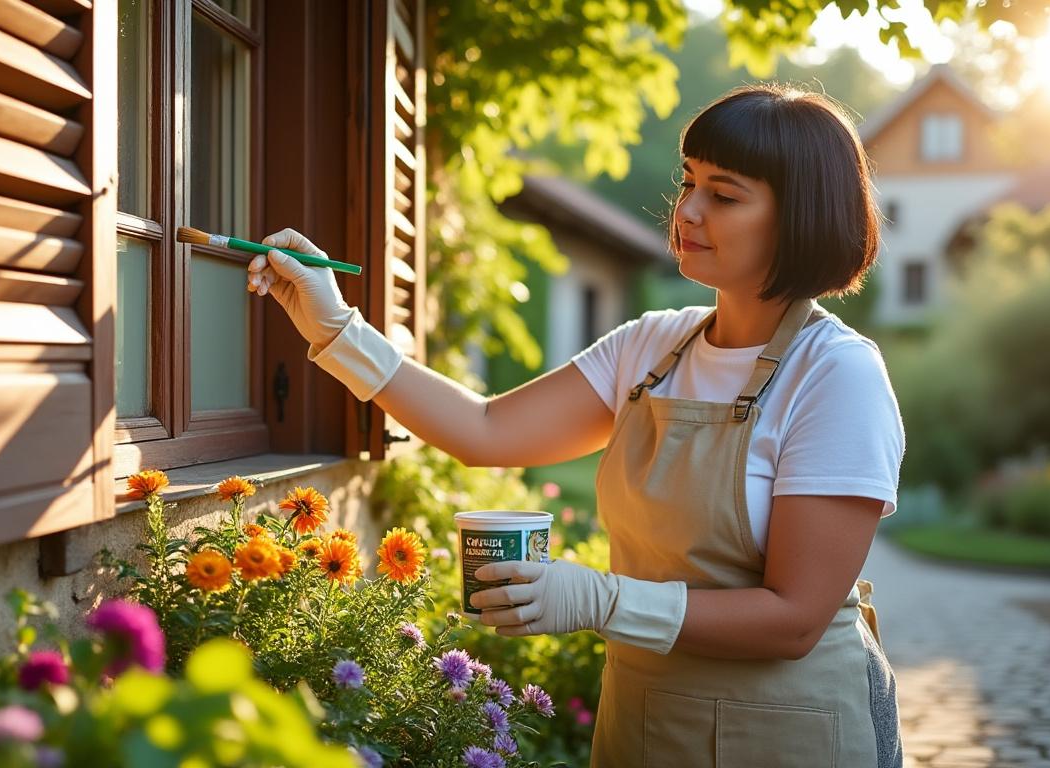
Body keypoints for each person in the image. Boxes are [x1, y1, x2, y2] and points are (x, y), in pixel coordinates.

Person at [248, 84, 904, 768]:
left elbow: (794, 619)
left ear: (798, 218)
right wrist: (336, 329)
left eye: (725, 195)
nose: (687, 209)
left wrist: (600, 599)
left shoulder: (836, 375)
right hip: (641, 722)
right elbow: (485, 430)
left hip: (787, 734)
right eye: (689, 182)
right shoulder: (652, 346)